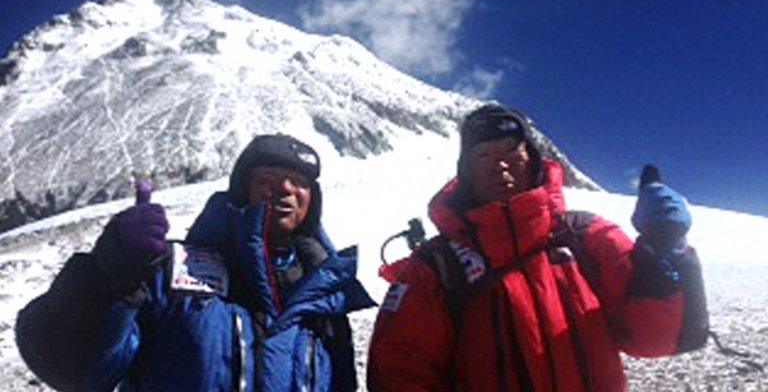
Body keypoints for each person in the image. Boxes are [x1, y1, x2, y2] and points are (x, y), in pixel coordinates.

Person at [367, 105, 708, 392]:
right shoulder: (435, 266)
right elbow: (400, 375)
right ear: (465, 171)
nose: (500, 165)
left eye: (510, 150)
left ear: (531, 158)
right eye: (484, 154)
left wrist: (664, 251)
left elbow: (656, 337)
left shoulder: (586, 235)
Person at [16, 134, 375, 391]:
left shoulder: (326, 303)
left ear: (313, 200)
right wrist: (110, 269)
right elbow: (72, 369)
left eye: (299, 182)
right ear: (240, 191)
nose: (284, 189)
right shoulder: (173, 272)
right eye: (266, 179)